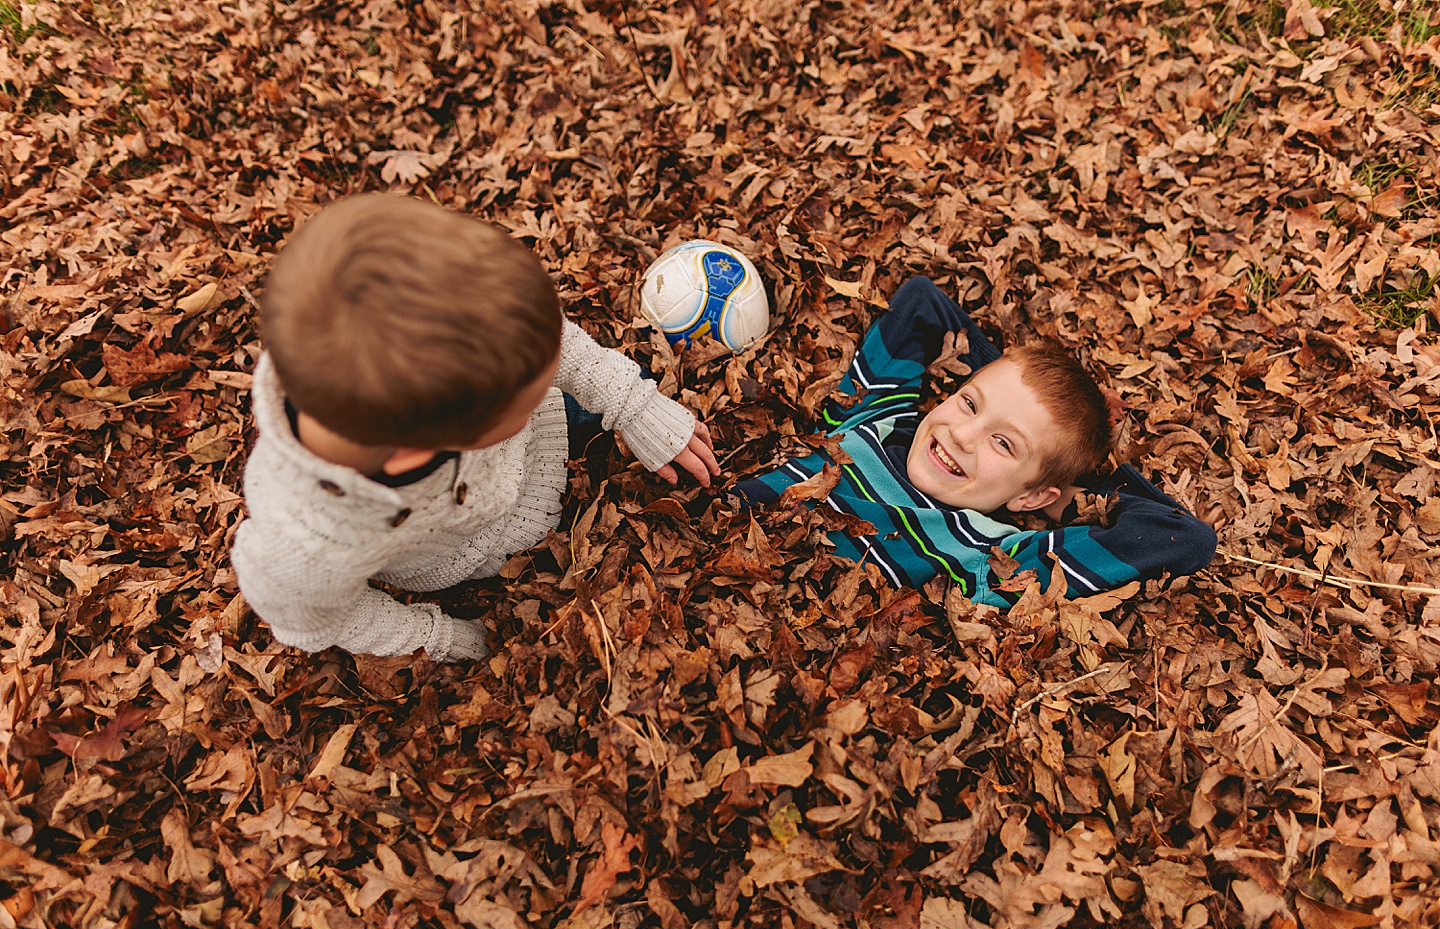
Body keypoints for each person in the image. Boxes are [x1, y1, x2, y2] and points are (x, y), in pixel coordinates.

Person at [230, 194, 719, 661]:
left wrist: (634, 405)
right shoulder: (306, 547)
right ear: (418, 452)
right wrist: (435, 637)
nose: (553, 367)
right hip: (471, 561)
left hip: (539, 450)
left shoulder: (425, 342)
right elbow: (316, 618)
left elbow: (542, 340)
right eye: (525, 399)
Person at [735, 276, 1215, 606]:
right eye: (969, 404)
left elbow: (1183, 538)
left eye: (1004, 444)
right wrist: (1008, 374)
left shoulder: (989, 556)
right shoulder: (875, 418)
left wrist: (1078, 477)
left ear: (1030, 495)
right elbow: (921, 304)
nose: (963, 436)